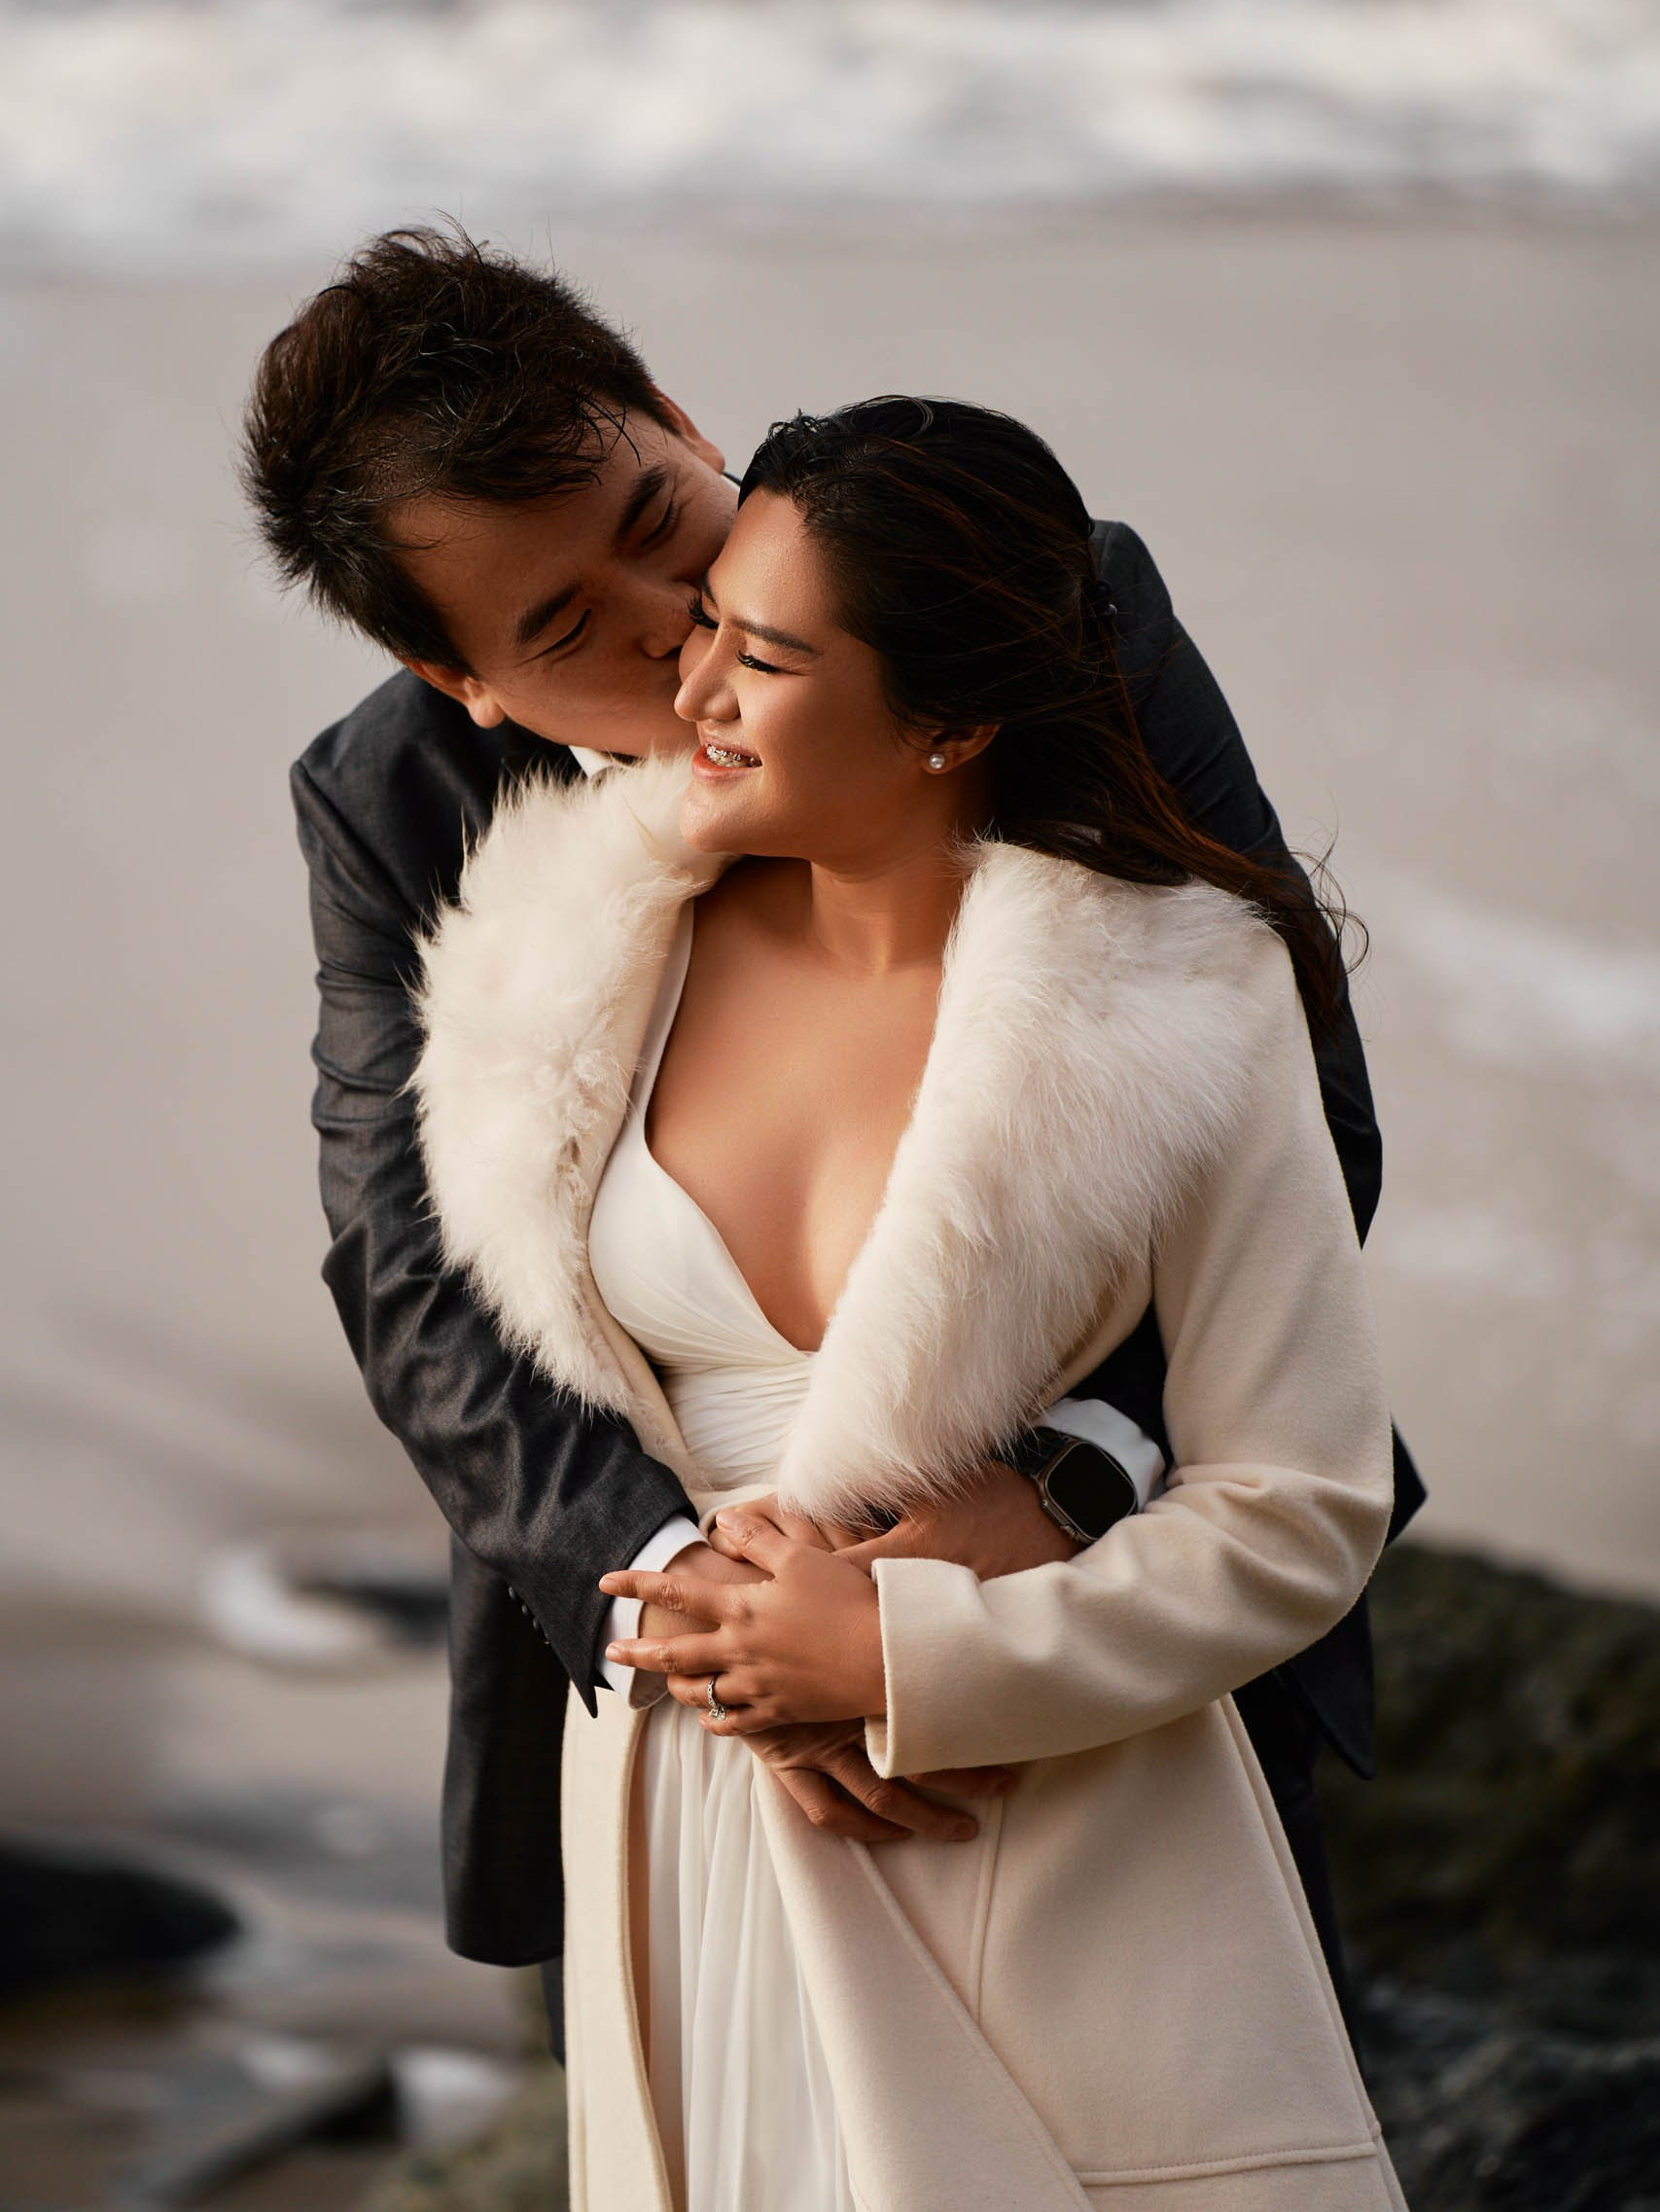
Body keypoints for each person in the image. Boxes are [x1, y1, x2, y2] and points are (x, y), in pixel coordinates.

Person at [239, 228, 1423, 2053]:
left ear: (682, 421)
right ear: (459, 679)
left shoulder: (1019, 600)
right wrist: (687, 1612)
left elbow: (1292, 1103)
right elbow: (407, 1278)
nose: (677, 634)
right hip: (670, 1701)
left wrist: (1061, 1490)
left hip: (1101, 1624)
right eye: (566, 630)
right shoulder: (397, 800)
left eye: (660, 520)